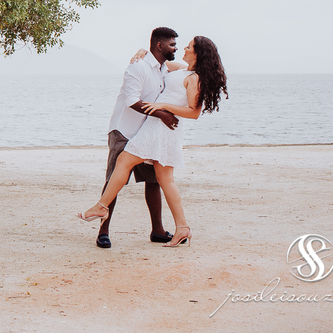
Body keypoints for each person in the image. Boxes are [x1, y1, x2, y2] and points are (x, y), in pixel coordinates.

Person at [79, 35, 229, 247]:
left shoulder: (194, 78)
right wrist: (142, 50)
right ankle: (182, 228)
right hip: (157, 128)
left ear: (198, 53)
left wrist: (163, 107)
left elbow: (193, 112)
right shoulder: (181, 69)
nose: (184, 49)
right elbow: (159, 60)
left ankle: (102, 206)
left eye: (189, 47)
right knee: (165, 180)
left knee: (125, 162)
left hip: (161, 130)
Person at [88, 26, 180, 249]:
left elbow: (190, 67)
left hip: (146, 133)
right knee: (114, 182)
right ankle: (103, 231)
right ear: (160, 45)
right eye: (172, 44)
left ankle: (157, 230)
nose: (175, 48)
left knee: (153, 180)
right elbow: (131, 100)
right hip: (124, 131)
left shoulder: (163, 68)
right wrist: (162, 115)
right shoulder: (137, 67)